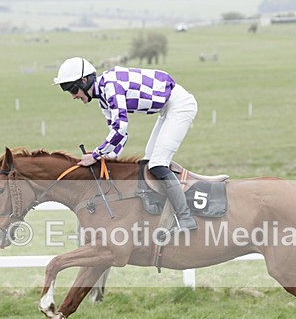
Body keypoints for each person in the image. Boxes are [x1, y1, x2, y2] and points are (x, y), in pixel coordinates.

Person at [53, 56, 198, 232]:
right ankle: (155, 212)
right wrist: (108, 158)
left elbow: (121, 128)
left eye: (73, 90)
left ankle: (186, 219)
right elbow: (120, 136)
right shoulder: (103, 100)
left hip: (179, 106)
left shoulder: (110, 86)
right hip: (166, 109)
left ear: (84, 81)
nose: (74, 96)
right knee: (147, 162)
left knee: (158, 164)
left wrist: (96, 155)